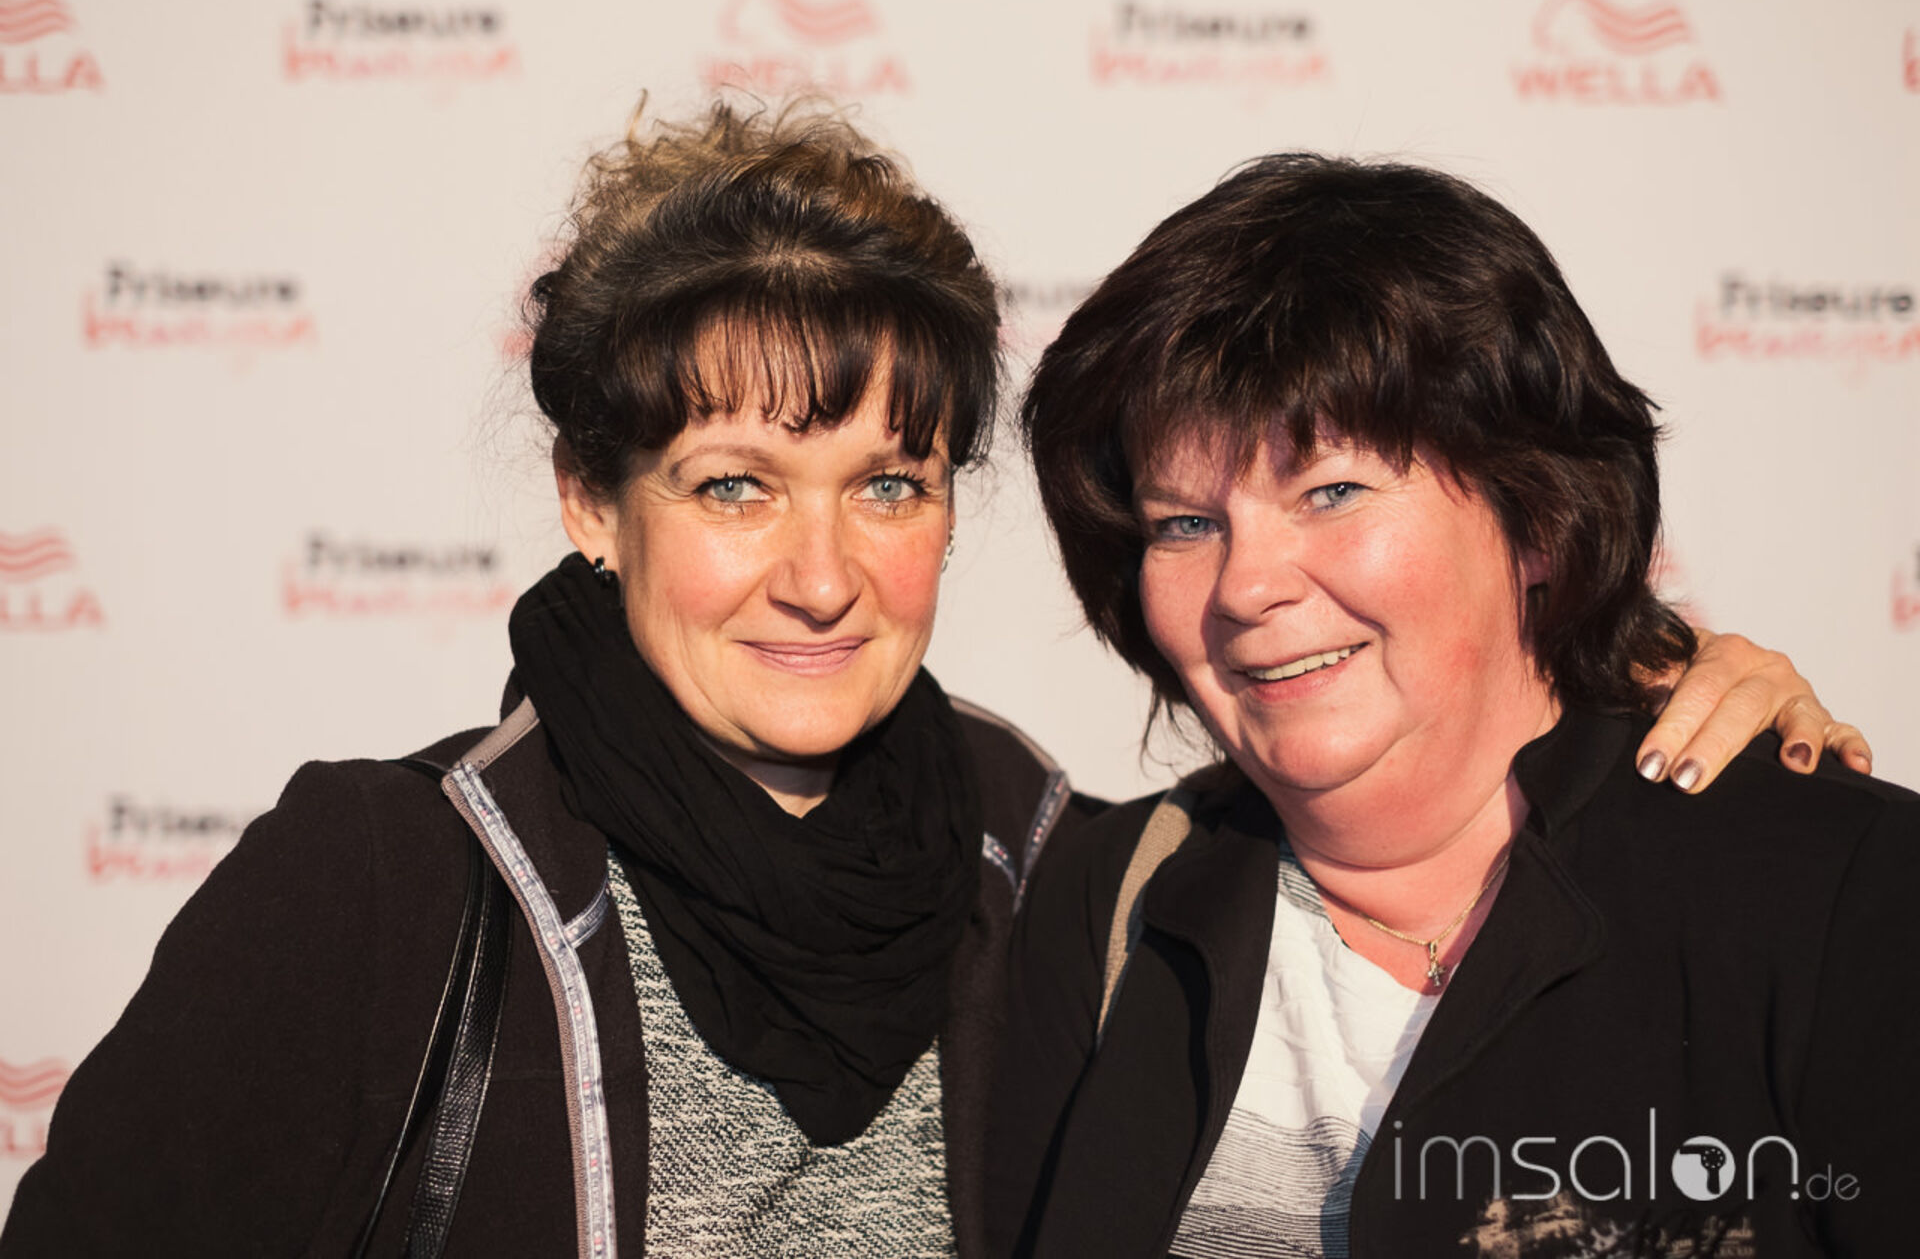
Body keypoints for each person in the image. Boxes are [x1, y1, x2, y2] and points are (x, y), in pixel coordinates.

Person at [0, 105, 1868, 1258]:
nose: (822, 575)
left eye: (887, 484)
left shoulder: (1038, 861)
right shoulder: (389, 884)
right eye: (734, 487)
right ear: (590, 501)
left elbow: (1433, 736)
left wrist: (1635, 674)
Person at [996, 153, 1912, 1258]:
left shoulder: (1844, 896)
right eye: (1185, 523)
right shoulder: (1102, 905)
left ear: (1538, 519)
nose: (1245, 587)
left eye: (1331, 490)